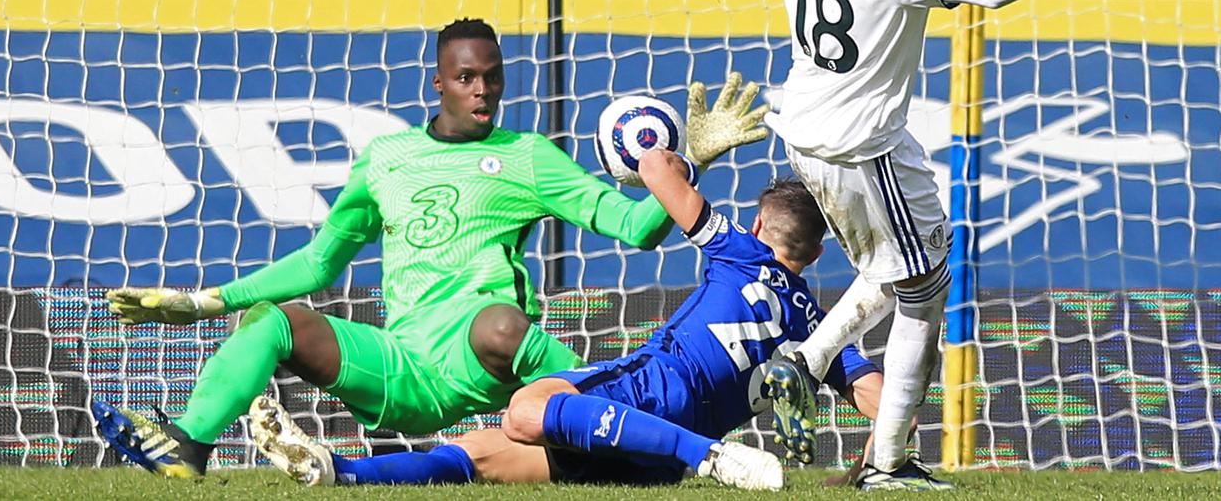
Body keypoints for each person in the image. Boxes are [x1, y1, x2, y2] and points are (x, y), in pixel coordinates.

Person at [685, 0, 1141, 491]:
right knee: (924, 292)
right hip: (862, 146)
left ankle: (806, 363)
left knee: (898, 264)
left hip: (804, 128)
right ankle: (886, 464)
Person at [91, 18, 766, 479]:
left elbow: (636, 229)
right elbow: (320, 262)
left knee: (502, 323)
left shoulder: (527, 157)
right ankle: (187, 447)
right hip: (404, 365)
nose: (482, 91)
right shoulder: (387, 158)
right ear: (439, 82)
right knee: (273, 323)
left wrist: (687, 164)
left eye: (492, 78)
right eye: (467, 78)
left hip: (485, 355)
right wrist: (204, 302)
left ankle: (616, 425)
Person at [247, 152, 885, 490]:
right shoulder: (819, 325)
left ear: (757, 228)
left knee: (524, 411)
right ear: (819, 249)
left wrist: (687, 149)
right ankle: (338, 474)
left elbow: (657, 170)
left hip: (656, 395)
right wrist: (887, 453)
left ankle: (714, 459)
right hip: (648, 455)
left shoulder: (736, 250)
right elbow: (872, 391)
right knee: (477, 457)